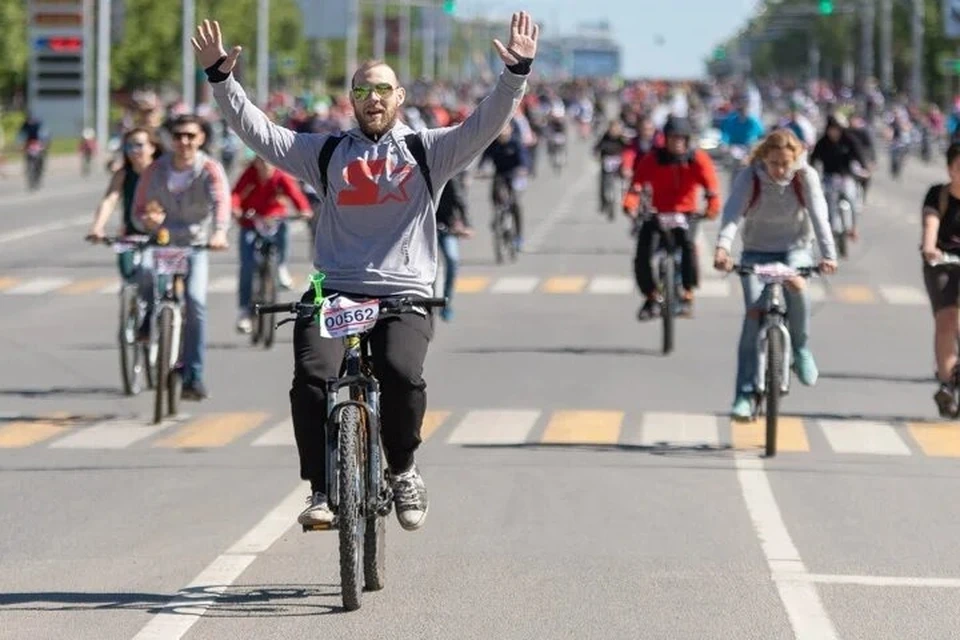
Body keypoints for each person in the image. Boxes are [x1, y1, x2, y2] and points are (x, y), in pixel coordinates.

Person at [193, 12, 539, 530]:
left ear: (400, 98)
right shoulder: (327, 153)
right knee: (312, 377)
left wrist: (515, 76)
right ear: (351, 100)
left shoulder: (428, 149)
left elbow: (484, 123)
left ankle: (402, 468)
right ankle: (319, 487)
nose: (373, 99)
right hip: (333, 291)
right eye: (362, 90)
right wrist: (222, 80)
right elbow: (259, 133)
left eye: (383, 89)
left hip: (404, 293)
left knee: (401, 374)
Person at [713, 129, 837, 420]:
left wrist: (829, 255)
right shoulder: (750, 177)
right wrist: (722, 248)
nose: (781, 170)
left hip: (794, 249)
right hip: (756, 251)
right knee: (754, 314)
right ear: (764, 159)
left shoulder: (804, 177)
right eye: (774, 164)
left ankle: (801, 349)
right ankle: (744, 393)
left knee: (798, 286)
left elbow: (820, 215)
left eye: (786, 164)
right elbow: (732, 214)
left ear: (795, 160)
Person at [132, 114, 232, 401]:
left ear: (201, 138)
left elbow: (221, 201)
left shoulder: (210, 169)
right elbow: (138, 208)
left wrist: (220, 232)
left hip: (195, 244)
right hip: (162, 241)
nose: (184, 142)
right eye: (178, 136)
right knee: (145, 271)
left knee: (196, 301)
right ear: (170, 139)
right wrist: (146, 221)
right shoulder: (155, 170)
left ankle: (194, 376)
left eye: (191, 136)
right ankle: (148, 319)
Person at [622, 116, 721, 319]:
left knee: (689, 248)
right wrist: (630, 205)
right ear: (665, 139)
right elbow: (636, 186)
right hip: (658, 213)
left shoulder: (698, 159)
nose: (677, 143)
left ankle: (687, 294)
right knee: (643, 252)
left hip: (687, 214)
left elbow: (711, 188)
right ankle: (650, 297)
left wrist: (712, 208)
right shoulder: (653, 158)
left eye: (681, 139)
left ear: (687, 140)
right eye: (673, 138)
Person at [231, 155, 313, 333]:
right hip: (251, 222)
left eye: (269, 162)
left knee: (284, 231)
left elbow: (295, 194)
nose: (266, 166)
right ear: (256, 162)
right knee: (247, 265)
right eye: (261, 162)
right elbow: (236, 194)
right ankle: (244, 310)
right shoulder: (249, 174)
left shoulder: (281, 175)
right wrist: (235, 209)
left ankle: (281, 266)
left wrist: (304, 210)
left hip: (274, 220)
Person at [86, 128, 163, 304]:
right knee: (128, 275)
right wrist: (97, 227)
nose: (134, 150)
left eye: (139, 145)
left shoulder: (162, 172)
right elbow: (110, 200)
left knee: (156, 281)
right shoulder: (123, 174)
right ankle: (130, 321)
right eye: (129, 146)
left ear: (152, 147)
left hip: (160, 235)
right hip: (130, 234)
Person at [921, 143, 960, 417]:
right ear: (950, 169)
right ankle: (946, 384)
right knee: (946, 319)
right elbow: (930, 223)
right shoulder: (938, 194)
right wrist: (930, 246)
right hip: (942, 262)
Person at [809, 114, 869, 242]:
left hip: (846, 177)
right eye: (832, 129)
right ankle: (830, 228)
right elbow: (813, 160)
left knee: (852, 199)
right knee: (829, 202)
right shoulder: (822, 142)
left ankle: (853, 228)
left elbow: (859, 155)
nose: (834, 132)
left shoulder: (849, 140)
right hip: (829, 177)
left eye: (837, 129)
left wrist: (865, 169)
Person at [479, 123, 530, 252]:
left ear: (510, 130)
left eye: (505, 130)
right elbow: (485, 159)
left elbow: (524, 159)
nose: (502, 133)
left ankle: (518, 236)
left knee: (516, 204)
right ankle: (496, 216)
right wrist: (482, 170)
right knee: (494, 194)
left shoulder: (515, 143)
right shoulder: (493, 144)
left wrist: (523, 169)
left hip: (514, 175)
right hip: (499, 174)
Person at [435, 168, 473, 322]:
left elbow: (460, 201)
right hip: (420, 228)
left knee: (452, 260)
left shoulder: (449, 178)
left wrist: (466, 225)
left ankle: (447, 302)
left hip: (445, 225)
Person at [593, 119, 630, 212]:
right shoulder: (604, 137)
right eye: (612, 128)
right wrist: (596, 153)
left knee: (625, 182)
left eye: (616, 128)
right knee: (603, 183)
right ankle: (603, 203)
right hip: (606, 164)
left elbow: (629, 148)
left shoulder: (621, 138)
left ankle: (626, 200)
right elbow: (597, 147)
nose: (614, 130)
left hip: (619, 165)